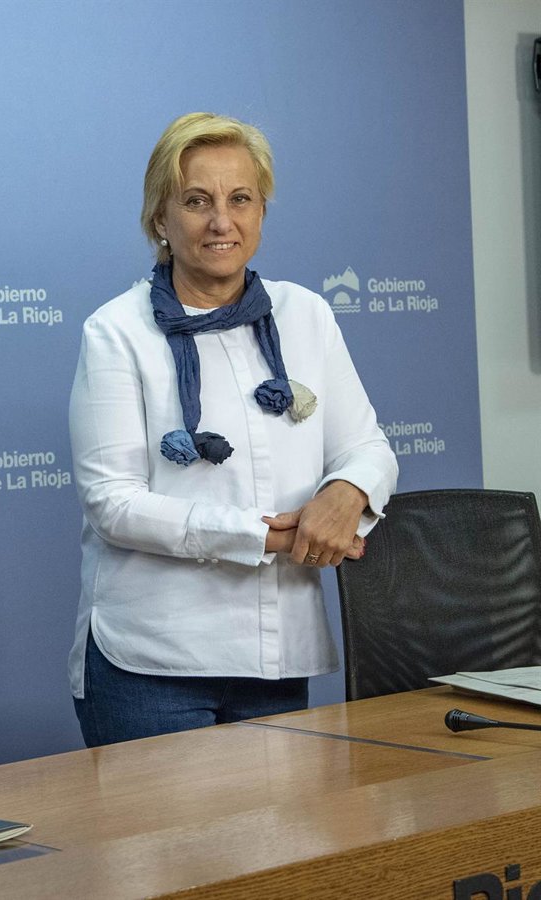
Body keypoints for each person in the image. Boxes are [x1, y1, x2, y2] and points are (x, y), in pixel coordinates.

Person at [67, 112, 397, 746]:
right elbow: (113, 504)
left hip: (277, 659)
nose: (222, 221)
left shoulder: (307, 314)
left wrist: (346, 493)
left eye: (240, 198)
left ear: (262, 211)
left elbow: (367, 448)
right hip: (152, 665)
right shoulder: (116, 331)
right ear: (160, 219)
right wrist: (264, 536)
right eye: (197, 201)